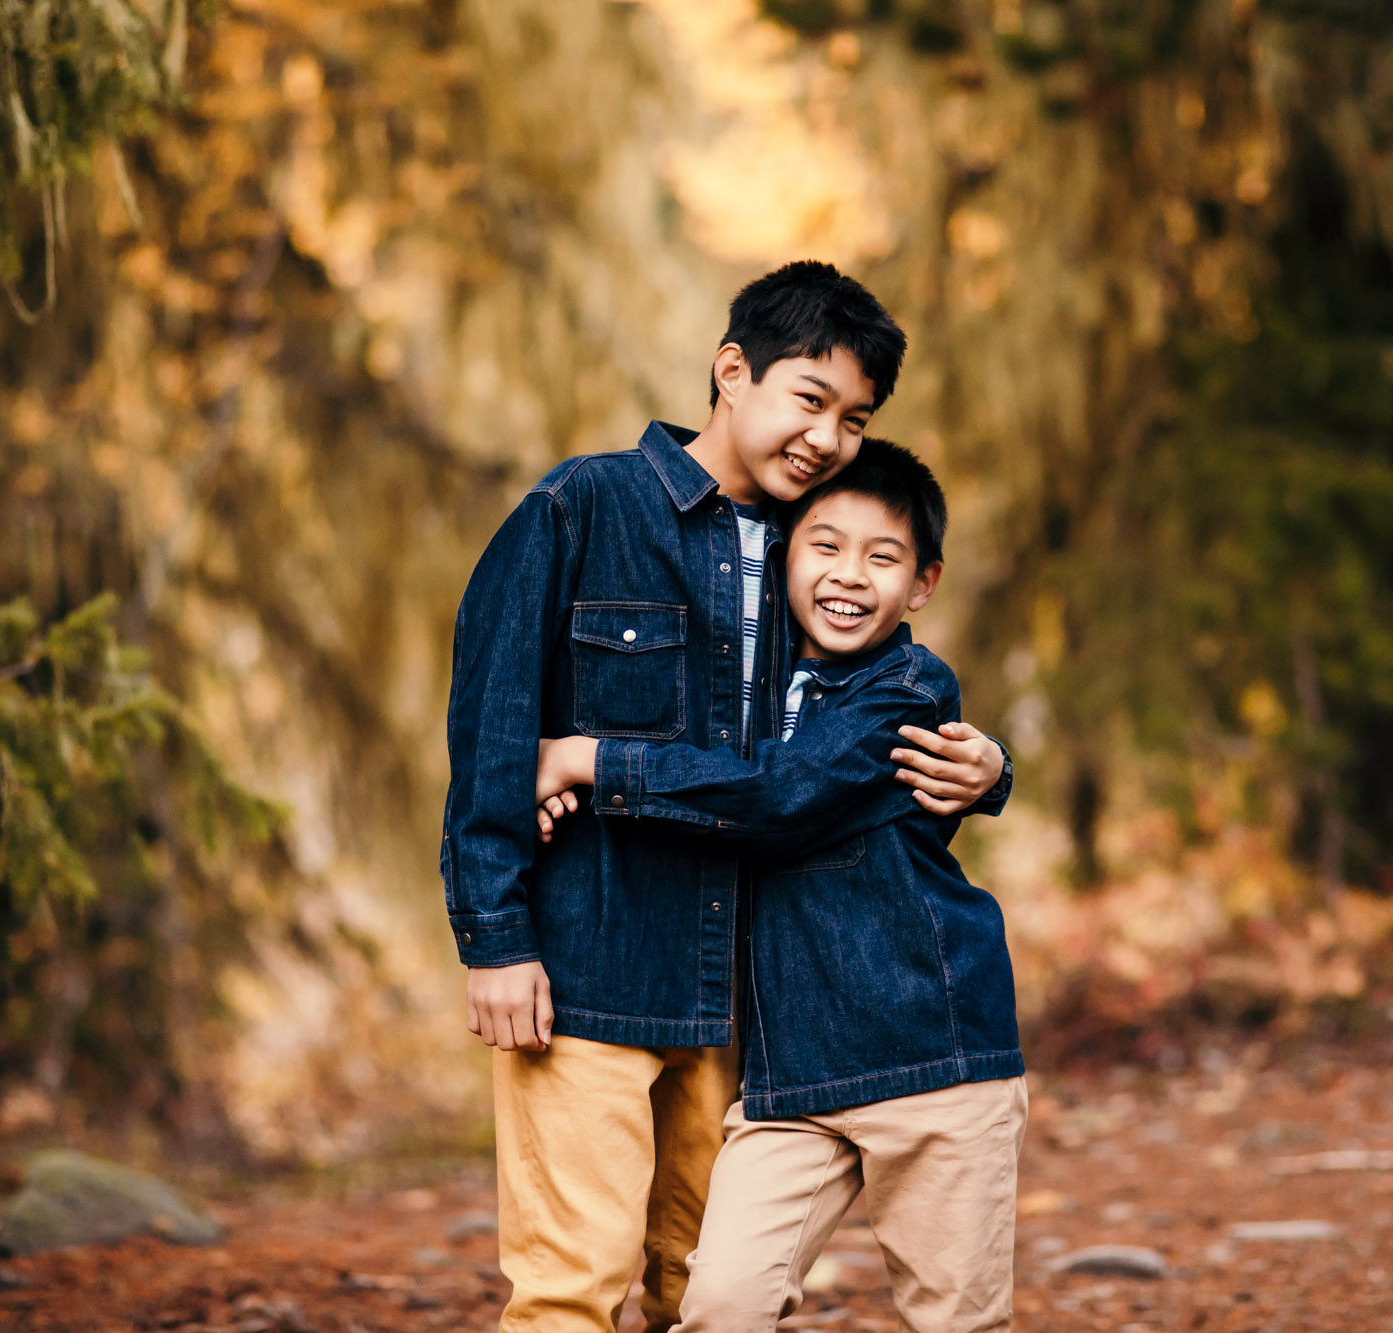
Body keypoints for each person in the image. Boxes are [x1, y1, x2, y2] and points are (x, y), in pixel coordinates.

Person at [440, 262, 1013, 1332]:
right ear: (732, 370)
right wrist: (492, 937)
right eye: (810, 397)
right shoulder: (582, 507)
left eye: (855, 418)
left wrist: (988, 770)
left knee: (700, 1292)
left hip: (735, 1000)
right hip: (585, 976)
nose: (828, 436)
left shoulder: (808, 554)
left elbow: (847, 739)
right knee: (569, 1288)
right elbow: (491, 732)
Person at [534, 439, 1026, 1332]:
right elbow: (722, 767)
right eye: (824, 546)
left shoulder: (911, 686)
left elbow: (780, 793)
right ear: (784, 555)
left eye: (883, 557)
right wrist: (553, 801)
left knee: (955, 1320)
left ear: (922, 584)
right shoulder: (751, 696)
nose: (849, 576)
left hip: (933, 1058)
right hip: (789, 1080)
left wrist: (590, 758)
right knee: (719, 1301)